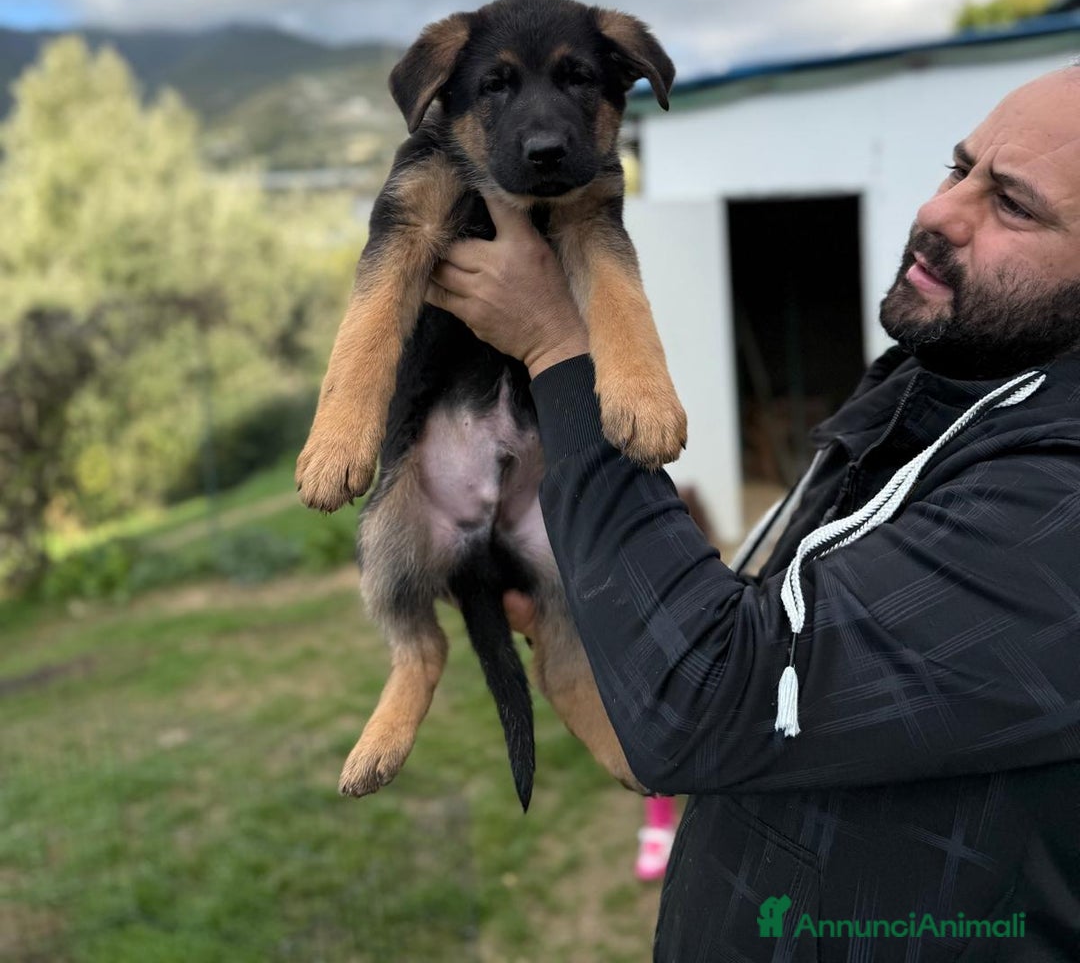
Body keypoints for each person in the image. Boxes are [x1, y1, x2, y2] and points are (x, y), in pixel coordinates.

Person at [425, 66, 1080, 960]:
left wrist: (558, 349)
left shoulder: (1062, 512)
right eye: (957, 168)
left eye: (1012, 205)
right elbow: (783, 682)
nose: (941, 213)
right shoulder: (946, 373)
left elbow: (716, 696)